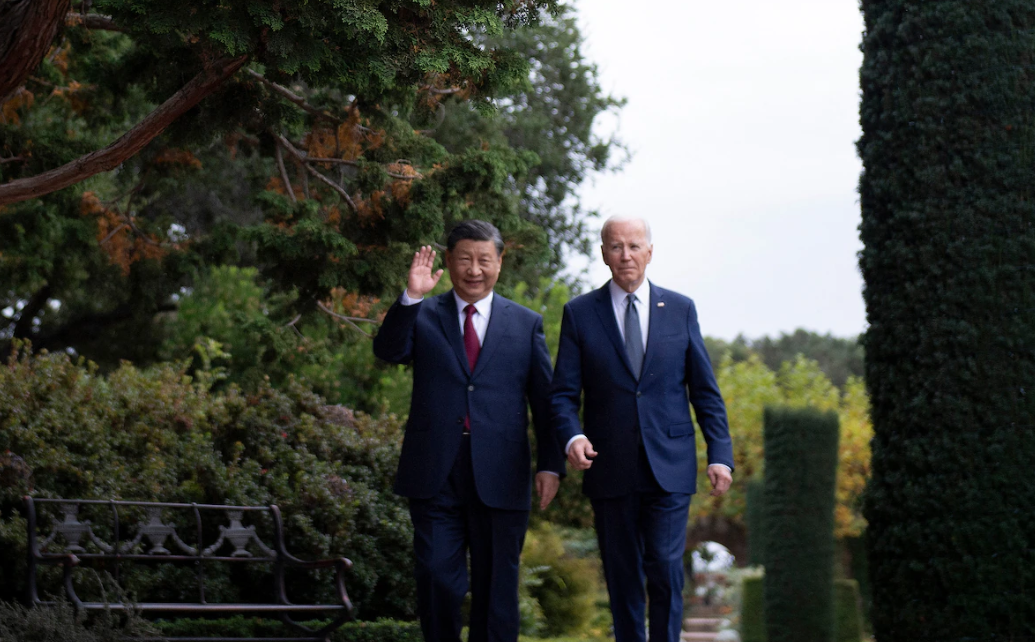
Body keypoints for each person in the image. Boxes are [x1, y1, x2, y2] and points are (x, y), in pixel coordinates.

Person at [372, 220, 565, 642]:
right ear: (448, 261)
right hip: (436, 472)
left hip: (502, 472)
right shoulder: (422, 314)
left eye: (484, 260)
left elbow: (545, 401)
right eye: (464, 259)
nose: (474, 270)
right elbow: (388, 350)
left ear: (499, 262)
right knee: (438, 580)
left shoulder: (526, 323)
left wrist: (551, 465)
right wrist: (410, 296)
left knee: (497, 595)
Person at [550, 215, 734, 642]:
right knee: (622, 573)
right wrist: (572, 436)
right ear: (603, 254)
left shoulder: (681, 309)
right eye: (616, 246)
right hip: (608, 465)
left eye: (634, 246)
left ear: (650, 251)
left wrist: (720, 453)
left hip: (669, 464)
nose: (626, 255)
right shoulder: (579, 314)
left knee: (665, 567)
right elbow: (562, 394)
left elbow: (704, 390)